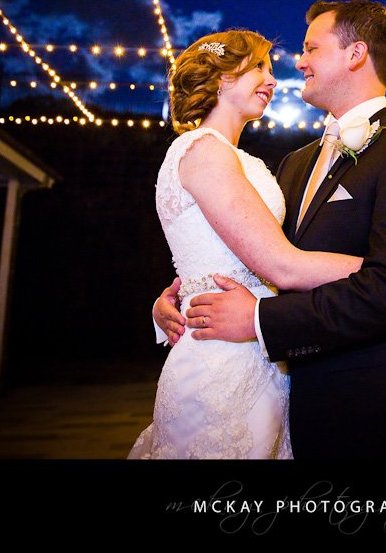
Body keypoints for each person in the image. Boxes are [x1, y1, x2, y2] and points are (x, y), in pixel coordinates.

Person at [154, 0, 386, 460]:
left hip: (372, 406)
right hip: (291, 395)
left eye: (311, 48)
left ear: (355, 54)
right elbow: (257, 254)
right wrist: (181, 297)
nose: (297, 63)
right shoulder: (294, 164)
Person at [129, 29, 362, 460]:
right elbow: (282, 264)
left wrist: (176, 297)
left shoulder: (244, 160)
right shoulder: (202, 150)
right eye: (258, 67)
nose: (272, 80)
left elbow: (221, 248)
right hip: (222, 357)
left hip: (262, 347)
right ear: (221, 78)